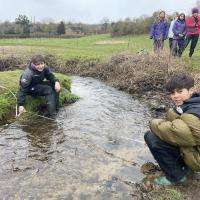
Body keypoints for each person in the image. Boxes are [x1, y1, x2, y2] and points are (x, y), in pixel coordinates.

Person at [144, 73, 200, 185]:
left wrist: (153, 123)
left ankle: (177, 177)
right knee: (157, 136)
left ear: (191, 90)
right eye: (172, 93)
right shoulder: (191, 104)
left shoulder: (193, 112)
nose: (175, 96)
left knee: (151, 137)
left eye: (180, 92)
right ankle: (185, 168)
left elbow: (179, 133)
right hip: (195, 149)